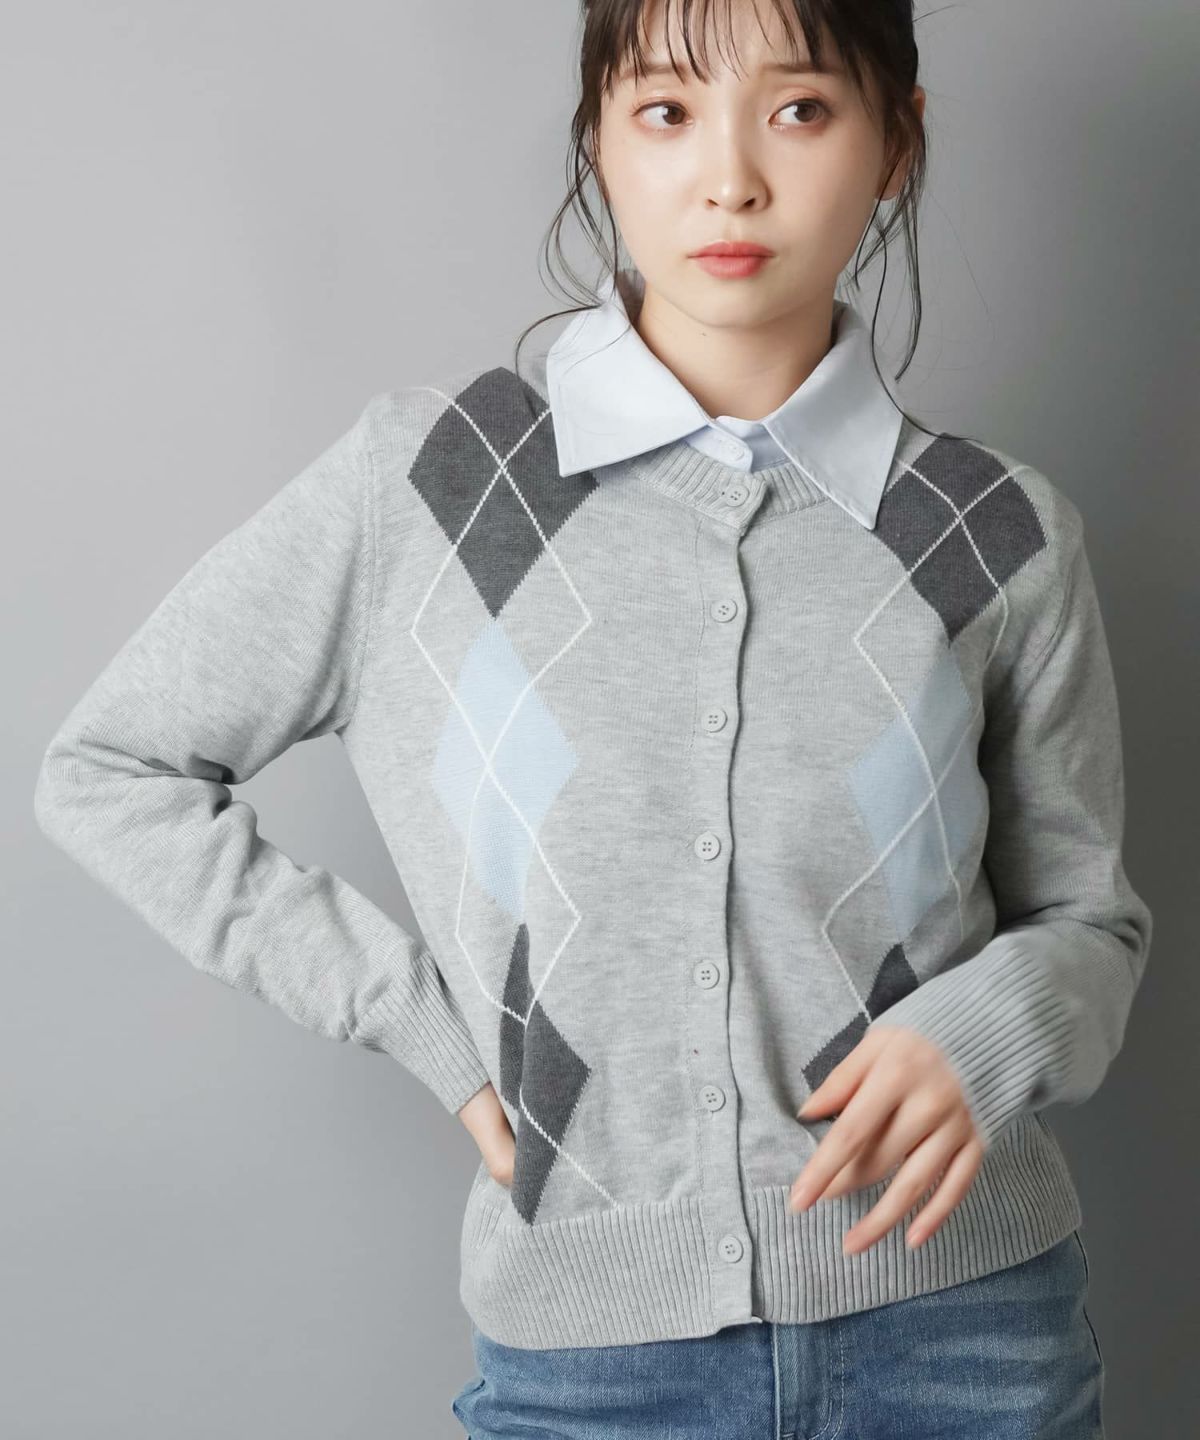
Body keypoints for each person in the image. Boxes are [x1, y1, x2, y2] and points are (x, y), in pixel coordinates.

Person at [34, 1, 1150, 1436]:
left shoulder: (997, 532)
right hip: (594, 1372)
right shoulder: (432, 489)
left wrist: (994, 1022)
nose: (730, 179)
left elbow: (1089, 924)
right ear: (600, 144)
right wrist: (411, 1015)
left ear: (897, 147)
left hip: (970, 1340)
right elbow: (111, 769)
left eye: (801, 110)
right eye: (666, 112)